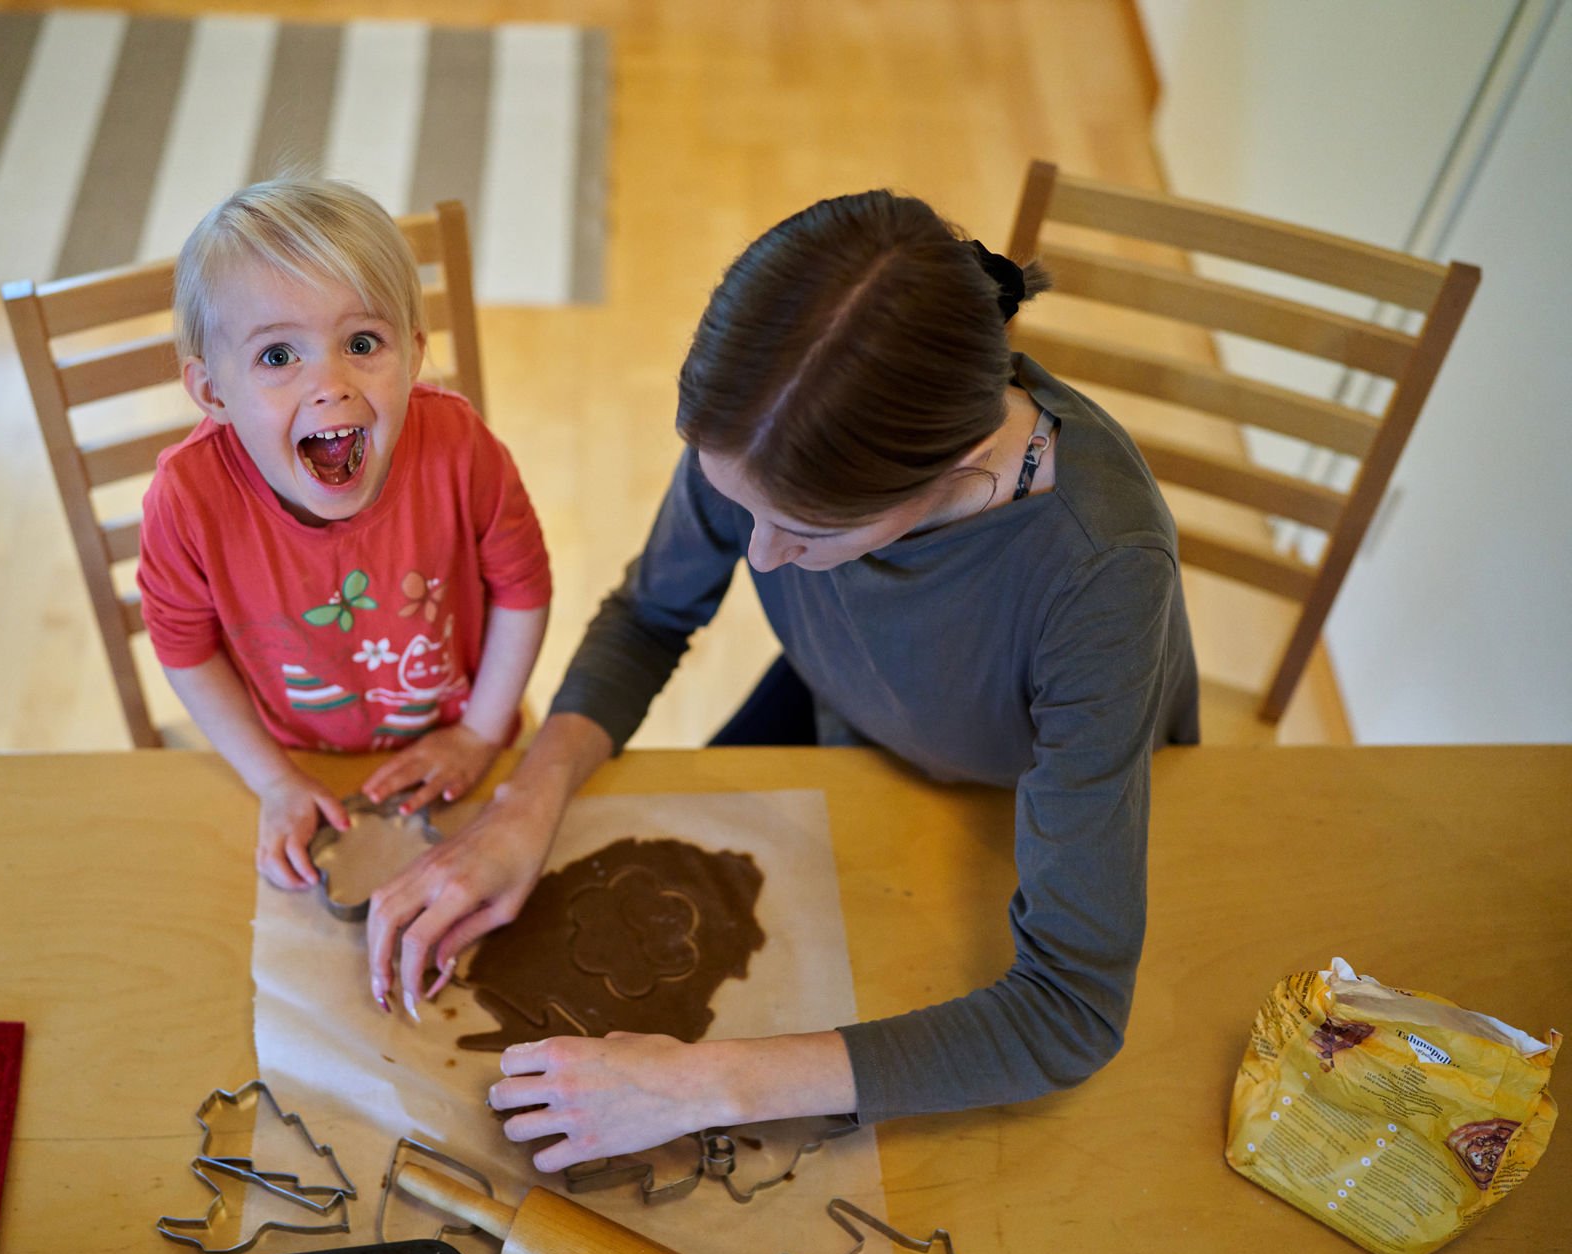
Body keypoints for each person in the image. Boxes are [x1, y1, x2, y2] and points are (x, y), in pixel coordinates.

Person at [362, 189, 1201, 1166]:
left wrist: (702, 1080)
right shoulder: (772, 419)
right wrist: (524, 802)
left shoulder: (1100, 574)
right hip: (842, 706)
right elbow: (649, 615)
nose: (757, 555)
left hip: (1018, 788)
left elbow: (1069, 1008)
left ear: (958, 464)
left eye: (807, 533)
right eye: (736, 506)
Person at [138, 175, 551, 910]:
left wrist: (482, 734)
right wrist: (271, 780)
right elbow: (183, 648)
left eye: (362, 343)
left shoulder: (461, 446)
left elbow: (524, 588)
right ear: (211, 392)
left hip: (464, 746)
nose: (330, 382)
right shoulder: (186, 500)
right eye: (276, 357)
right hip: (292, 763)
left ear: (415, 354)